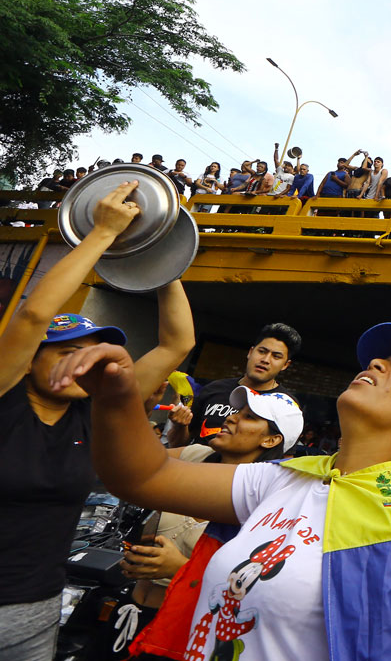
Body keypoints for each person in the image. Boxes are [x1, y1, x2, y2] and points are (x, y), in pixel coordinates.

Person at [52, 321, 391, 660]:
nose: (375, 363)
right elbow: (143, 478)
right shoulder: (287, 476)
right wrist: (116, 394)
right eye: (378, 359)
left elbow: (380, 648)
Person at [0, 180, 195, 661]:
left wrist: (158, 254)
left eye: (92, 356)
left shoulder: (94, 414)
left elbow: (177, 345)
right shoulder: (5, 395)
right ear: (29, 361)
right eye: (66, 353)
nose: (81, 364)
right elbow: (33, 317)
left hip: (36, 612)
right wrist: (103, 233)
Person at [109, 387, 305, 658]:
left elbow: (256, 587)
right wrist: (141, 406)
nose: (231, 418)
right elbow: (129, 460)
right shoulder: (197, 456)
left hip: (180, 634)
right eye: (237, 412)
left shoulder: (269, 505)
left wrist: (181, 569)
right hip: (128, 611)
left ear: (271, 440)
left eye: (249, 417)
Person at [182, 323, 301, 444]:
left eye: (276, 356)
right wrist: (179, 425)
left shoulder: (287, 405)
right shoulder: (215, 388)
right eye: (262, 351)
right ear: (250, 352)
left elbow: (285, 457)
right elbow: (181, 443)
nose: (265, 360)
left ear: (285, 365)